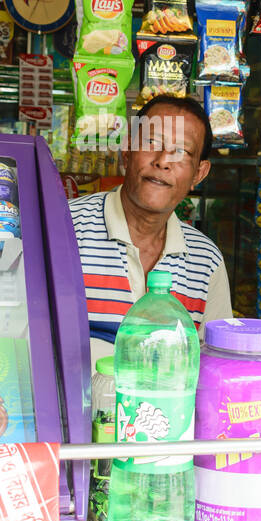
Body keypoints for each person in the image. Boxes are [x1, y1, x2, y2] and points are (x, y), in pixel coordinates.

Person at [69, 94, 232, 361]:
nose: (163, 160)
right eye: (152, 142)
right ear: (127, 151)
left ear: (199, 173)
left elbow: (215, 362)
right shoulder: (65, 228)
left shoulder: (206, 260)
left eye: (181, 151)